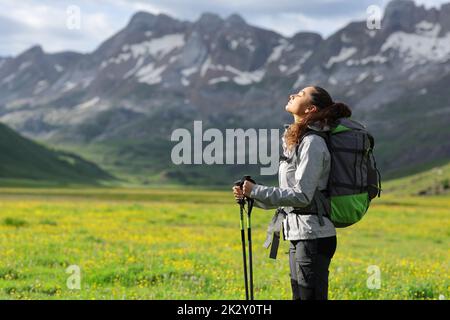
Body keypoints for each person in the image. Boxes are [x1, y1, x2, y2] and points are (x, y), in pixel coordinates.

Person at [232, 86, 352, 300]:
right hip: (299, 234)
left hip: (313, 236)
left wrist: (256, 191)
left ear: (310, 109)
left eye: (300, 94)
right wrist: (251, 196)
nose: (292, 95)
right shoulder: (299, 141)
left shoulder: (313, 143)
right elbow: (291, 198)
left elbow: (302, 196)